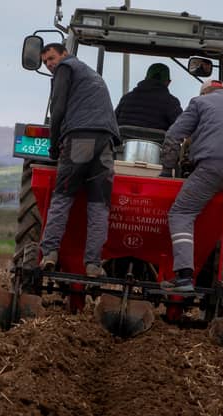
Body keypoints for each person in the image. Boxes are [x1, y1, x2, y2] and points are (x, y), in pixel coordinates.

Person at [159, 79, 223, 293]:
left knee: (182, 213)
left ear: (205, 93)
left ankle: (184, 277)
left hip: (215, 166)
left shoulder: (199, 103)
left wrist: (167, 170)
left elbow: (173, 135)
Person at [37, 43, 120, 278]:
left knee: (63, 196)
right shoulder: (91, 75)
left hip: (81, 138)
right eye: (45, 62)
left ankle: (50, 252)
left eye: (51, 58)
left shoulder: (66, 68)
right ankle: (93, 264)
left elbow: (58, 107)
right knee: (99, 205)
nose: (50, 64)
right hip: (106, 142)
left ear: (64, 54)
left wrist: (54, 145)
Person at [114, 63, 182, 131]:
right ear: (168, 82)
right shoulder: (171, 103)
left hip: (124, 141)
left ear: (145, 78)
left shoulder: (126, 98)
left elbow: (113, 122)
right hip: (157, 141)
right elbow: (181, 128)